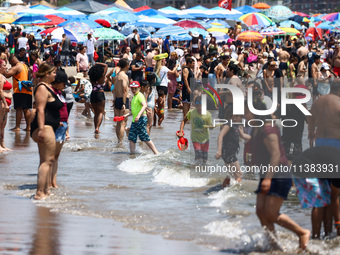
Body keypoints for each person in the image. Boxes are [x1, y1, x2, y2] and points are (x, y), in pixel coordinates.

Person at [244, 98, 310, 249]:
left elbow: (275, 155)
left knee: (271, 214)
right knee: (261, 212)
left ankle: (302, 232)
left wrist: (267, 179)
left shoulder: (268, 129)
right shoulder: (256, 128)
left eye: (247, 112)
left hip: (278, 176)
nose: (244, 115)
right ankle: (273, 244)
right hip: (267, 175)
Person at [309, 78, 340, 237]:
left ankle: (316, 236)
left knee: (320, 197)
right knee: (334, 195)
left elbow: (310, 126)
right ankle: (334, 230)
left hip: (320, 149)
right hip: (336, 149)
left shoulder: (317, 103)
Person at [30, 62, 63, 200]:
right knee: (47, 161)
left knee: (46, 160)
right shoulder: (42, 88)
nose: (55, 75)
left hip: (50, 126)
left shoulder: (47, 87)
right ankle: (40, 193)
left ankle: (44, 190)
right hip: (45, 127)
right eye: (53, 72)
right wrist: (42, 129)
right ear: (47, 74)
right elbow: (41, 110)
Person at [216, 103, 250, 187]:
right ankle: (235, 190)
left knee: (231, 174)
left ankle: (223, 187)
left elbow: (243, 136)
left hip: (231, 153)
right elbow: (220, 136)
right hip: (227, 152)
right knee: (238, 174)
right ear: (234, 115)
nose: (241, 119)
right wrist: (219, 150)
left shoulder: (236, 125)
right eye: (240, 117)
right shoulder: (229, 124)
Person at [177, 96, 212, 164]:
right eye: (198, 106)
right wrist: (181, 131)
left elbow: (210, 127)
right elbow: (184, 121)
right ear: (195, 105)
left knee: (205, 158)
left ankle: (201, 172)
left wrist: (211, 127)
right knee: (198, 155)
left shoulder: (208, 114)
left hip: (205, 139)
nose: (200, 108)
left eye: (201, 106)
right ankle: (195, 168)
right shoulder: (192, 112)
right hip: (195, 139)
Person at [50, 70, 69, 188]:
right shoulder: (51, 92)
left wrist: (67, 130)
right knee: (51, 156)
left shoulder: (60, 93)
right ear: (57, 83)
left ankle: (54, 182)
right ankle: (49, 181)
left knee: (56, 156)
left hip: (63, 126)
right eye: (63, 83)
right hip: (56, 126)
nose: (65, 86)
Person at [128, 81, 158, 154]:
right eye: (132, 89)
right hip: (135, 120)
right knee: (132, 137)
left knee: (144, 137)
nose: (134, 90)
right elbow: (134, 111)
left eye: (135, 88)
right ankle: (132, 154)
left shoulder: (140, 95)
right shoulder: (134, 97)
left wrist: (138, 115)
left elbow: (144, 105)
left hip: (141, 119)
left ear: (139, 88)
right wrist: (125, 115)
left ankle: (156, 153)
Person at [4, 55, 31, 131]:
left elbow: (7, 75)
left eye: (11, 63)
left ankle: (17, 127)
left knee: (19, 108)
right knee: (26, 109)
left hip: (20, 90)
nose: (11, 65)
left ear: (12, 61)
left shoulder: (17, 66)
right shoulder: (25, 66)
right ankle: (28, 127)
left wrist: (3, 70)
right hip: (28, 89)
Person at [89, 63, 108, 134]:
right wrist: (97, 63)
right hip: (100, 93)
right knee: (101, 112)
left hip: (93, 94)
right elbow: (106, 65)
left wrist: (94, 65)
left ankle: (95, 128)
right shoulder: (102, 76)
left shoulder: (92, 77)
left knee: (96, 113)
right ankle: (97, 128)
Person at [114, 58, 130, 143]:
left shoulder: (117, 75)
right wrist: (124, 103)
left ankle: (118, 141)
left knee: (118, 122)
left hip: (117, 98)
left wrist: (114, 100)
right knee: (123, 123)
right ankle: (120, 142)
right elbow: (124, 90)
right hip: (123, 99)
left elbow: (114, 89)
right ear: (127, 65)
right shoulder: (124, 76)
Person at [0, 59, 12, 152]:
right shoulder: (0, 77)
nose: (6, 67)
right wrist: (4, 103)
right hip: (2, 103)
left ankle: (3, 144)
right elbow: (0, 91)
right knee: (0, 124)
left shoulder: (3, 76)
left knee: (3, 124)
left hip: (6, 104)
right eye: (4, 65)